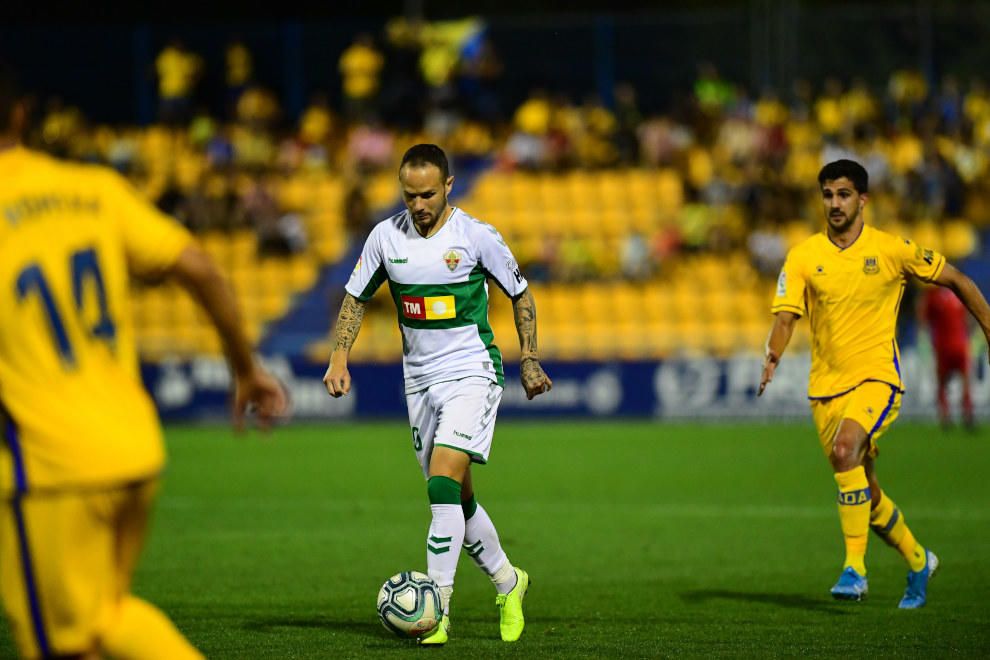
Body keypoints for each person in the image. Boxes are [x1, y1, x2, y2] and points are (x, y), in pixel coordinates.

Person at [0, 63, 288, 658]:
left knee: (63, 641)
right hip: (134, 446)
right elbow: (202, 267)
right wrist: (246, 369)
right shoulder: (93, 189)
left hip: (48, 466)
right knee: (105, 619)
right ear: (22, 115)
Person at [323, 144, 552, 645]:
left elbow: (521, 294)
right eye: (410, 195)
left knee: (443, 478)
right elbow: (355, 298)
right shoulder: (386, 237)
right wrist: (339, 357)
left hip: (473, 371)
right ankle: (509, 582)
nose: (419, 204)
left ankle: (438, 608)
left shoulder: (475, 236)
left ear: (448, 186)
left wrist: (529, 358)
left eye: (428, 194)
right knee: (458, 499)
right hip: (419, 381)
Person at [759, 159, 990, 608]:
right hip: (825, 388)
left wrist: (987, 326)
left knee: (846, 451)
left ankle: (855, 570)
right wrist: (772, 352)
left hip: (878, 378)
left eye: (843, 195)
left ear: (863, 200)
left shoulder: (891, 250)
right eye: (827, 195)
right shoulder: (804, 255)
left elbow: (958, 279)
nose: (834, 204)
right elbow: (785, 317)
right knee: (865, 489)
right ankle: (919, 559)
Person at [918, 283, 975, 428]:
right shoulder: (933, 295)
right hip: (943, 346)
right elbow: (922, 315)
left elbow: (968, 318)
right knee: (943, 381)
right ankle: (945, 416)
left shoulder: (959, 293)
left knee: (965, 380)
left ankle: (967, 414)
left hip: (959, 345)